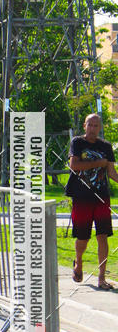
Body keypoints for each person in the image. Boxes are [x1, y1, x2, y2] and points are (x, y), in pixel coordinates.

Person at [67, 113, 118, 290]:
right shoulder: (77, 142)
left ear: (100, 128)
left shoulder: (106, 146)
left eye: (96, 126)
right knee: (83, 237)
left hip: (102, 196)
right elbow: (74, 165)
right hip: (82, 197)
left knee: (103, 235)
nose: (92, 129)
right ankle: (79, 262)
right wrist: (97, 163)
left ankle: (102, 278)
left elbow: (111, 172)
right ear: (84, 126)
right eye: (90, 125)